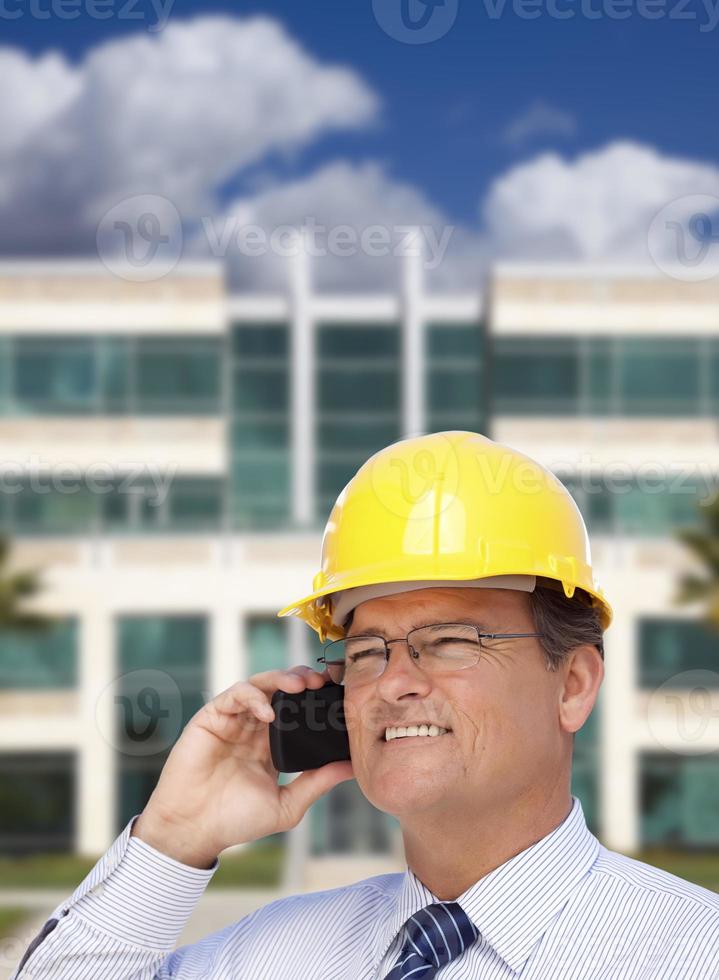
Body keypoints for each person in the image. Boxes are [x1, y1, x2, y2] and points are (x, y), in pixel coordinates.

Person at [11, 431, 719, 979]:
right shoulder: (269, 956)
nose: (391, 682)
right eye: (366, 651)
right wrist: (173, 840)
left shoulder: (693, 954)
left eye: (447, 641)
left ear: (571, 685)